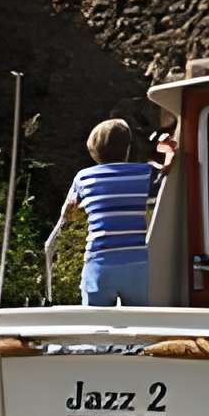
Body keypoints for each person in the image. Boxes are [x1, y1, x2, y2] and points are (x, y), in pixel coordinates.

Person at [47, 117, 166, 306]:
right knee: (140, 322)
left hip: (99, 262)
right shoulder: (144, 172)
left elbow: (67, 214)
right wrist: (167, 153)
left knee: (96, 324)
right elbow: (168, 178)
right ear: (127, 148)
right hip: (136, 262)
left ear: (94, 152)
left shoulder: (83, 178)